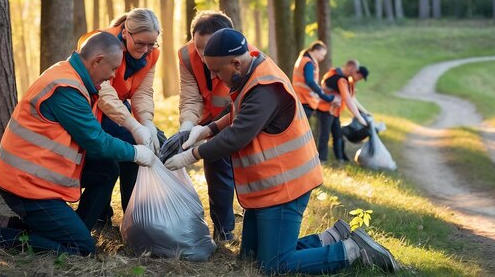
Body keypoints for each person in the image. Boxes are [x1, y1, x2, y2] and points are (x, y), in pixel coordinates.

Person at [164, 29, 398, 275]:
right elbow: (238, 111)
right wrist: (206, 129)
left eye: (216, 70)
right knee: (252, 259)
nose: (213, 76)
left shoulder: (265, 88)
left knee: (272, 266)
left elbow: (237, 136)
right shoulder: (249, 70)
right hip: (268, 187)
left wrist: (191, 155)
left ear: (235, 63)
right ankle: (331, 238)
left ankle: (353, 251)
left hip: (286, 187)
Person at [0, 32, 161, 255]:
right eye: (112, 69)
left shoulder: (69, 74)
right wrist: (136, 153)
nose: (112, 76)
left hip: (35, 174)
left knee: (107, 170)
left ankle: (14, 224)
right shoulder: (66, 89)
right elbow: (97, 141)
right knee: (81, 248)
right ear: (97, 61)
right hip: (26, 184)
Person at [77, 8, 164, 225]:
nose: (146, 50)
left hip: (121, 109)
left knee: (157, 141)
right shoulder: (103, 44)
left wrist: (147, 123)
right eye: (141, 43)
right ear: (126, 33)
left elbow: (143, 92)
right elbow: (104, 94)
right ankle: (118, 217)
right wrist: (133, 126)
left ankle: (137, 215)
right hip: (95, 108)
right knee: (130, 147)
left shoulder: (151, 54)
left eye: (151, 44)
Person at [177, 10, 236, 240]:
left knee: (242, 166)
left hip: (236, 116)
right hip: (206, 119)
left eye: (208, 47)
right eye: (198, 46)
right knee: (216, 166)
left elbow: (243, 103)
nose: (202, 55)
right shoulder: (185, 56)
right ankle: (223, 230)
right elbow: (190, 96)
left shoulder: (240, 55)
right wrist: (187, 125)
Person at [316, 60, 369, 163]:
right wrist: (359, 117)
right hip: (325, 109)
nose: (357, 77)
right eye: (356, 72)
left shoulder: (344, 79)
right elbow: (348, 99)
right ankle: (322, 160)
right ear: (351, 69)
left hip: (334, 111)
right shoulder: (341, 79)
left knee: (337, 134)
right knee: (325, 135)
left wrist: (364, 112)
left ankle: (340, 158)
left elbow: (350, 98)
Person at [292, 41, 334, 119]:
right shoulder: (308, 63)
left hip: (300, 97)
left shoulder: (303, 59)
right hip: (305, 100)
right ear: (316, 51)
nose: (322, 58)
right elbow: (310, 81)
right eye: (322, 55)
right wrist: (324, 96)